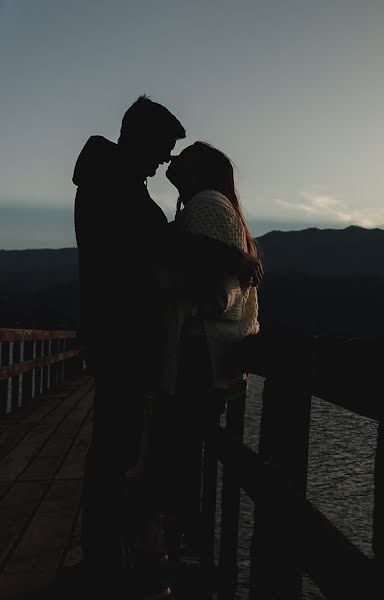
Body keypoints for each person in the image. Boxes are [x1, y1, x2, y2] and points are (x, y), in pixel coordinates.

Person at [72, 96, 260, 599]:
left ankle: (110, 554)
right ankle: (107, 562)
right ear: (140, 137)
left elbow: (161, 245)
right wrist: (235, 259)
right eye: (164, 148)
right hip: (121, 338)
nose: (164, 160)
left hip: (118, 336)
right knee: (118, 448)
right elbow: (161, 247)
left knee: (120, 448)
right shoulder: (113, 185)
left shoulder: (113, 181)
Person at [151, 140, 261, 564]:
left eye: (189, 153)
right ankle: (182, 551)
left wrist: (163, 289)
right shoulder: (207, 205)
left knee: (177, 457)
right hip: (210, 357)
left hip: (199, 356)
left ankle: (179, 553)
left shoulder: (207, 205)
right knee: (185, 457)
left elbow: (217, 291)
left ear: (205, 169)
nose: (177, 157)